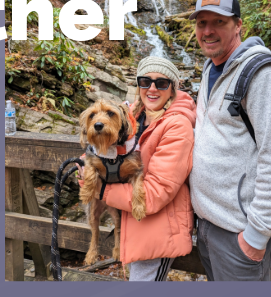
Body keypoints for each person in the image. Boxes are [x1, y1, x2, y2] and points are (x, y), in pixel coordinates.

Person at [188, 0, 271, 281]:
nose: (208, 31)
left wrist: (256, 235)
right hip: (207, 225)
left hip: (240, 233)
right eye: (201, 23)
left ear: (238, 25)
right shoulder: (209, 68)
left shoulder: (264, 75)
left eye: (219, 22)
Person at [76, 56, 196, 281]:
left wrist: (101, 191)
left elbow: (155, 194)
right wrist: (86, 163)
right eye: (145, 82)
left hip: (157, 230)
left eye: (161, 83)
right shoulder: (132, 114)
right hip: (131, 224)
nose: (152, 88)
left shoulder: (178, 126)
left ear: (172, 89)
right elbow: (101, 148)